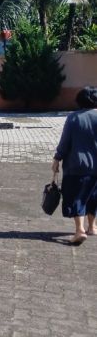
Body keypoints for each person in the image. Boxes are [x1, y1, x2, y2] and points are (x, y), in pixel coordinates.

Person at [52, 86, 97, 245]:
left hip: (77, 166)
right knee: (93, 196)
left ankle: (80, 230)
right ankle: (92, 227)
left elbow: (65, 143)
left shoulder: (74, 118)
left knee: (77, 196)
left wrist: (57, 158)